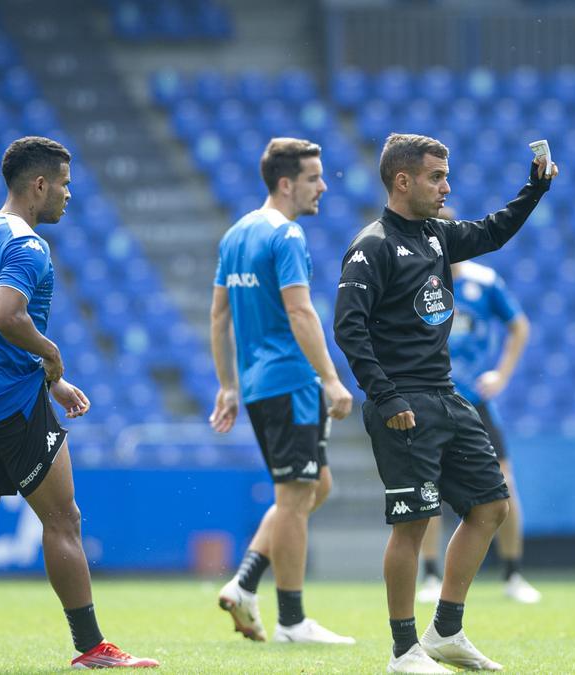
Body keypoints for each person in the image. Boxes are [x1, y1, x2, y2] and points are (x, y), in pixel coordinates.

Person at [0, 136, 158, 669]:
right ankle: (91, 649)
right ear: (39, 184)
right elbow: (6, 317)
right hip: (12, 408)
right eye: (63, 183)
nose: (68, 193)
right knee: (64, 520)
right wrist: (53, 354)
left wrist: (51, 381)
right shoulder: (28, 246)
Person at [334, 133, 557, 673]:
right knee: (413, 524)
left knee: (491, 505)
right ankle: (403, 649)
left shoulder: (436, 236)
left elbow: (492, 232)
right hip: (402, 401)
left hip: (447, 395)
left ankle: (446, 631)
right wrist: (384, 396)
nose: (446, 186)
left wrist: (534, 189)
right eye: (436, 176)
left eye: (446, 175)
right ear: (402, 180)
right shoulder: (373, 245)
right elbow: (348, 328)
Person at [209, 137, 356, 646]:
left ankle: (245, 582)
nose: (322, 187)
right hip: (292, 381)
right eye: (315, 178)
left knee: (318, 487)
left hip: (254, 384)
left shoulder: (236, 234)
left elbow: (219, 315)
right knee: (294, 498)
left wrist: (228, 385)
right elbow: (299, 311)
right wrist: (332, 378)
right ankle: (292, 621)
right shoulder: (287, 236)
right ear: (287, 183)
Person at [417, 242, 540, 605]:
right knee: (428, 488)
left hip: (476, 400)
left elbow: (519, 326)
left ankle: (513, 573)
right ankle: (430, 576)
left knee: (504, 483)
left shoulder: (485, 282)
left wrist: (501, 375)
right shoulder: (419, 282)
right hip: (434, 397)